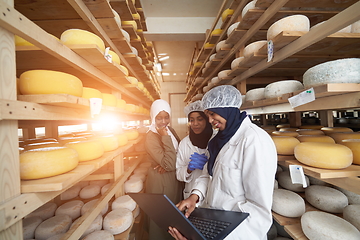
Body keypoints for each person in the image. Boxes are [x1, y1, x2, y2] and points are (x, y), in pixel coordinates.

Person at [169, 85, 277, 240]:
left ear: (227, 109)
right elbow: (208, 175)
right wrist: (194, 196)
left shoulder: (254, 140)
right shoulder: (218, 140)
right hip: (215, 222)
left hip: (237, 232)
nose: (210, 121)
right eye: (208, 115)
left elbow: (258, 209)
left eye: (212, 114)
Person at [145, 99, 183, 240]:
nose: (163, 121)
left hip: (172, 179)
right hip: (161, 183)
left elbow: (175, 154)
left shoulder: (169, 130)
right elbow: (169, 164)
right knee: (162, 218)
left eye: (166, 117)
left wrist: (169, 163)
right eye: (159, 118)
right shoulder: (151, 137)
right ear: (153, 117)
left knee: (173, 216)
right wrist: (165, 138)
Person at [176, 100, 215, 201]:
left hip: (212, 193)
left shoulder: (217, 139)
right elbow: (178, 174)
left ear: (207, 120)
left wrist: (210, 165)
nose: (195, 124)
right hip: (191, 194)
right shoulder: (184, 143)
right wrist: (188, 169)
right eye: (191, 120)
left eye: (200, 119)